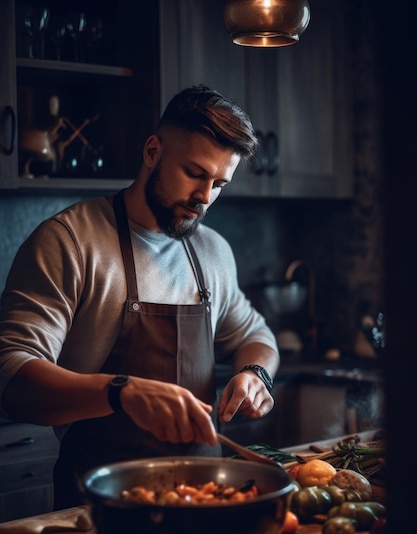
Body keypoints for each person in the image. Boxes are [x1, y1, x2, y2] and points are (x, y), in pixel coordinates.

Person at [0, 85, 279, 509]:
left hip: (204, 499)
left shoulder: (213, 252)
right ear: (152, 152)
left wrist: (256, 374)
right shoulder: (71, 242)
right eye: (195, 173)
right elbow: (12, 375)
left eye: (219, 184)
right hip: (98, 506)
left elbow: (255, 335)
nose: (205, 198)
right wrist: (119, 392)